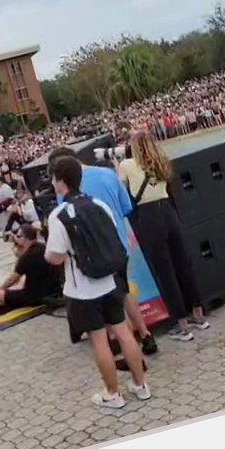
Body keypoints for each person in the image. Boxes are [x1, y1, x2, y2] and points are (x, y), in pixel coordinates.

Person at [44, 156, 151, 409]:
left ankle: (113, 394)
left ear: (60, 183)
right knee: (124, 332)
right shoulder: (99, 205)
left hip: (83, 288)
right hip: (110, 280)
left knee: (100, 339)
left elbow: (55, 257)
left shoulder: (59, 215)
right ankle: (141, 384)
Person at [118, 131, 209, 342]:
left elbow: (122, 188)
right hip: (168, 212)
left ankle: (182, 325)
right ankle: (199, 315)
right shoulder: (161, 161)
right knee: (183, 264)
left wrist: (117, 161)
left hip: (149, 217)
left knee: (165, 271)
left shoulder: (127, 165)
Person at [0, 225, 61, 315]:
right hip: (53, 289)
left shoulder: (28, 256)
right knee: (21, 283)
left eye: (18, 237)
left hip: (35, 295)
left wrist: (1, 288)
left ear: (24, 238)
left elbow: (13, 278)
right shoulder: (42, 246)